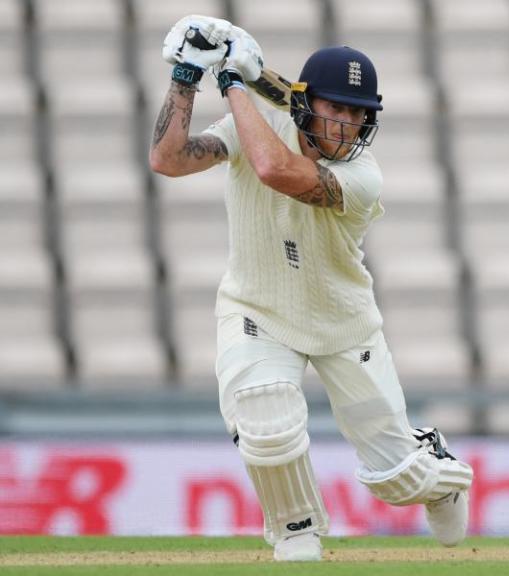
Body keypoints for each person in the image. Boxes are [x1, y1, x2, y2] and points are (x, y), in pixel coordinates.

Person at [148, 16, 473, 562]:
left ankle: (440, 475)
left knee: (396, 478)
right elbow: (167, 159)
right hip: (258, 309)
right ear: (306, 103)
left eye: (357, 113)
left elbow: (276, 170)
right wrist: (185, 75)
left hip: (342, 323)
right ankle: (296, 529)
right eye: (335, 108)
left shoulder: (363, 177)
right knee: (264, 416)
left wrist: (234, 80)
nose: (346, 124)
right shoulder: (256, 120)